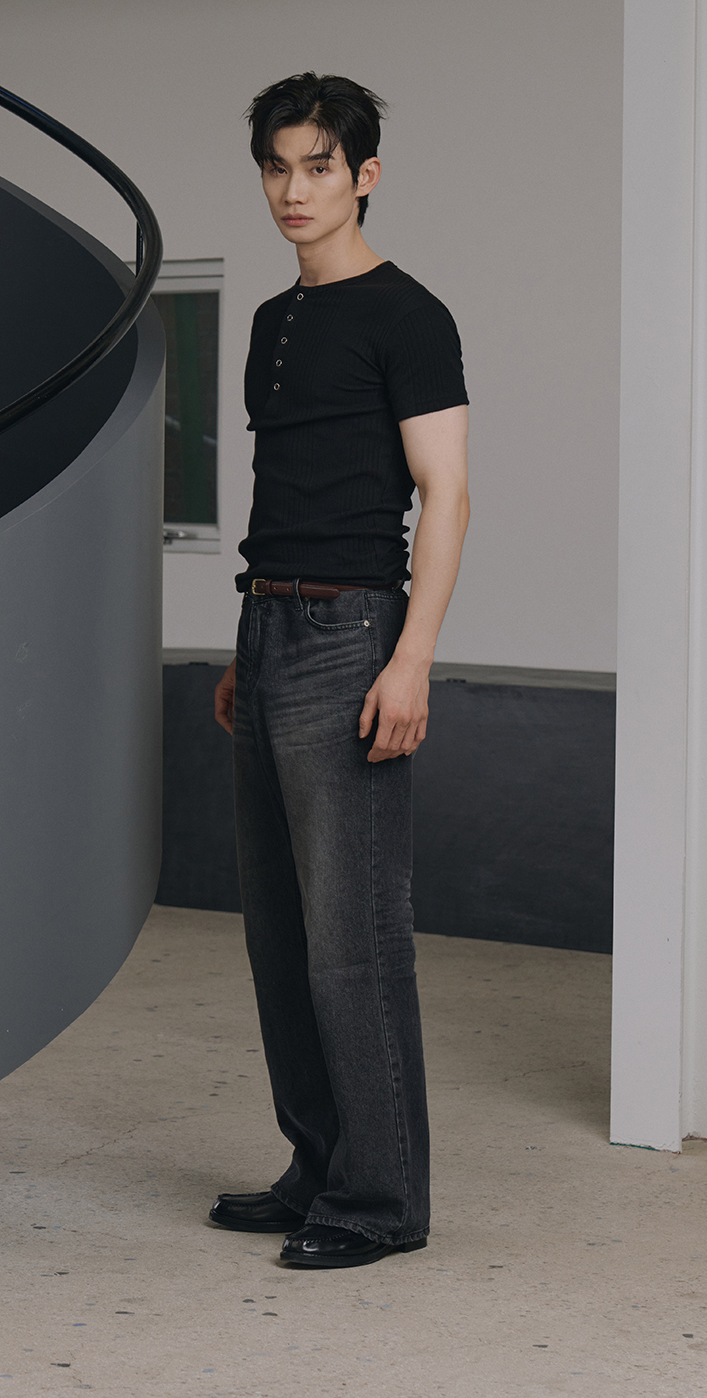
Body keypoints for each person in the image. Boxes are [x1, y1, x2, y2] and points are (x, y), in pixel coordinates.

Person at [210, 72, 470, 1270]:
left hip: (352, 637)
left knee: (351, 939)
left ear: (363, 176)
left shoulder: (408, 315)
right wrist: (243, 647)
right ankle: (317, 1166)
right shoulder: (273, 320)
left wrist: (410, 658)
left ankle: (380, 1201)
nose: (293, 189)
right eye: (276, 166)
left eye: (317, 166)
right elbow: (285, 493)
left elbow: (445, 494)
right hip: (269, 630)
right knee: (278, 935)